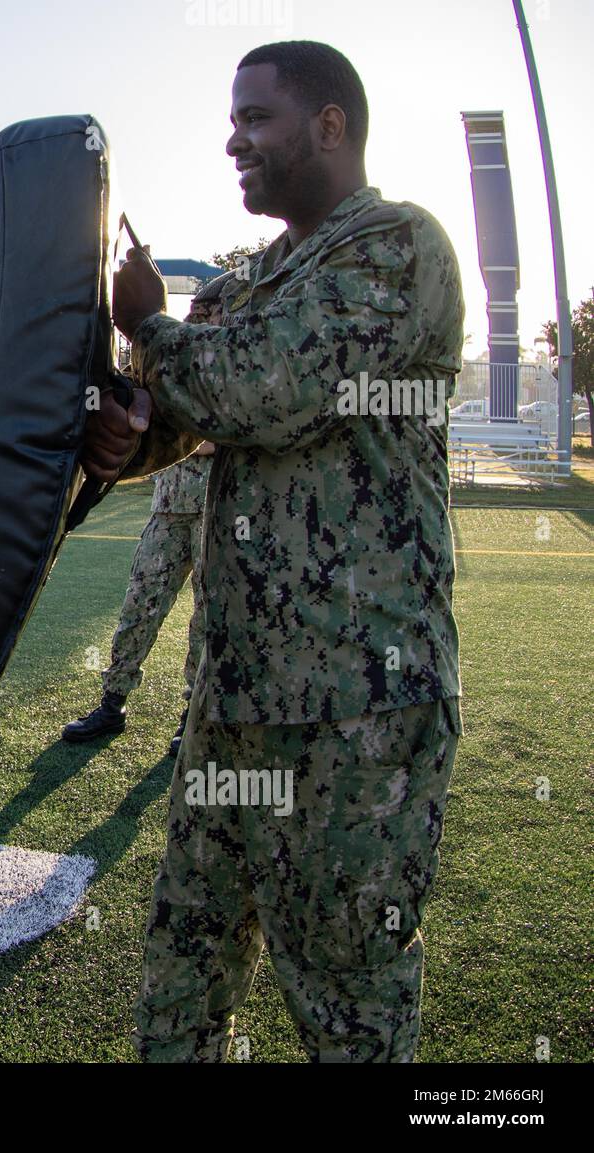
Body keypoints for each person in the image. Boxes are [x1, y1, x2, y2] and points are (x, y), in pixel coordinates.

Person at [85, 41, 464, 1061]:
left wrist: (152, 329)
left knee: (345, 995)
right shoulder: (246, 284)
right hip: (234, 698)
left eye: (254, 118)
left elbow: (268, 386)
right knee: (184, 969)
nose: (231, 139)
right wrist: (119, 414)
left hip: (356, 709)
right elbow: (173, 423)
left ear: (329, 125)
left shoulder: (397, 246)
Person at [63, 291, 224, 752]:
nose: (203, 318)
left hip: (217, 508)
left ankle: (192, 716)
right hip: (171, 503)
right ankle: (112, 702)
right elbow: (145, 404)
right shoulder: (178, 359)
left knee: (206, 618)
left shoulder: (233, 363)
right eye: (200, 313)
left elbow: (238, 419)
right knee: (141, 603)